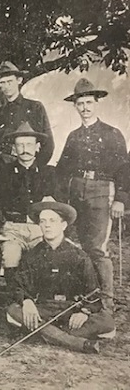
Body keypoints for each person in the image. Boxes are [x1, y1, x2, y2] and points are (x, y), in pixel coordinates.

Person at [6, 198, 116, 354]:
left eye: (52, 220)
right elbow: (19, 285)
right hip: (43, 309)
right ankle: (75, 342)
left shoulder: (79, 256)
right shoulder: (32, 255)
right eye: (43, 221)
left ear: (63, 225)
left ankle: (43, 333)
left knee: (107, 321)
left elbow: (93, 292)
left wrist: (83, 312)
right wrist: (27, 301)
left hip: (70, 311)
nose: (47, 225)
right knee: (13, 311)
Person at [56, 79, 128, 313]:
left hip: (102, 189)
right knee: (79, 245)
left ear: (96, 104)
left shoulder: (112, 134)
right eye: (80, 103)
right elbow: (62, 170)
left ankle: (106, 302)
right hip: (77, 190)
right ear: (75, 106)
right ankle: (86, 296)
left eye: (89, 102)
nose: (85, 107)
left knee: (97, 247)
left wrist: (121, 199)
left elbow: (123, 170)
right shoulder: (73, 136)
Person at [0, 122, 58, 284]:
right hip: (13, 229)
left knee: (51, 255)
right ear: (14, 148)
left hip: (40, 229)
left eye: (29, 144)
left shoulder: (48, 173)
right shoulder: (3, 174)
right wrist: (4, 224)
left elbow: (56, 206)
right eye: (20, 145)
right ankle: (15, 298)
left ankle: (43, 300)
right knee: (10, 255)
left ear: (38, 147)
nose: (25, 149)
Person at [0, 61, 53, 168]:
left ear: (19, 80)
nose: (6, 86)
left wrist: (36, 167)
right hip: (3, 170)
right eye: (2, 83)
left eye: (10, 81)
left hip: (28, 169)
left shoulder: (35, 107)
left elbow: (48, 144)